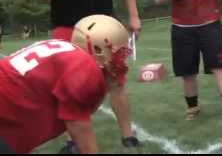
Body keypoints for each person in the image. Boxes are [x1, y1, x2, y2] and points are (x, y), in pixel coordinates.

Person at [34, 0, 141, 149]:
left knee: (116, 82)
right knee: (67, 90)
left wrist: (134, 16)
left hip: (104, 25)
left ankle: (128, 136)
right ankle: (73, 141)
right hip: (67, 26)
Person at [0, 15, 131, 154]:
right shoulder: (85, 68)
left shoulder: (68, 52)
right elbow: (81, 134)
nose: (123, 61)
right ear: (98, 49)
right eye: (119, 54)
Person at [154, 0, 222, 121]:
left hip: (210, 25)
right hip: (182, 28)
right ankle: (192, 107)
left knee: (220, 67)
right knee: (187, 73)